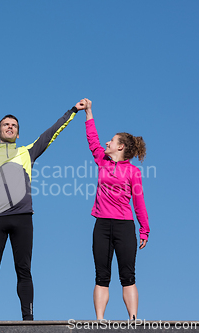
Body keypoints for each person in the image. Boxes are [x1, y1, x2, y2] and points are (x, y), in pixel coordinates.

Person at [0, 100, 87, 321]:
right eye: (6, 124)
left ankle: (28, 319)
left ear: (18, 134)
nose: (10, 127)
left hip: (23, 219)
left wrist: (72, 111)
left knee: (24, 271)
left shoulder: (27, 152)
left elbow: (51, 133)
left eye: (14, 125)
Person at [83, 98, 150, 321]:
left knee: (128, 276)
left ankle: (133, 319)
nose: (106, 143)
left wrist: (144, 230)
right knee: (101, 276)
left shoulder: (133, 172)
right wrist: (89, 112)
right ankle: (100, 320)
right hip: (102, 225)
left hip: (124, 226)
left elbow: (139, 203)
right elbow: (92, 139)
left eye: (111, 141)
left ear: (120, 147)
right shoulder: (102, 161)